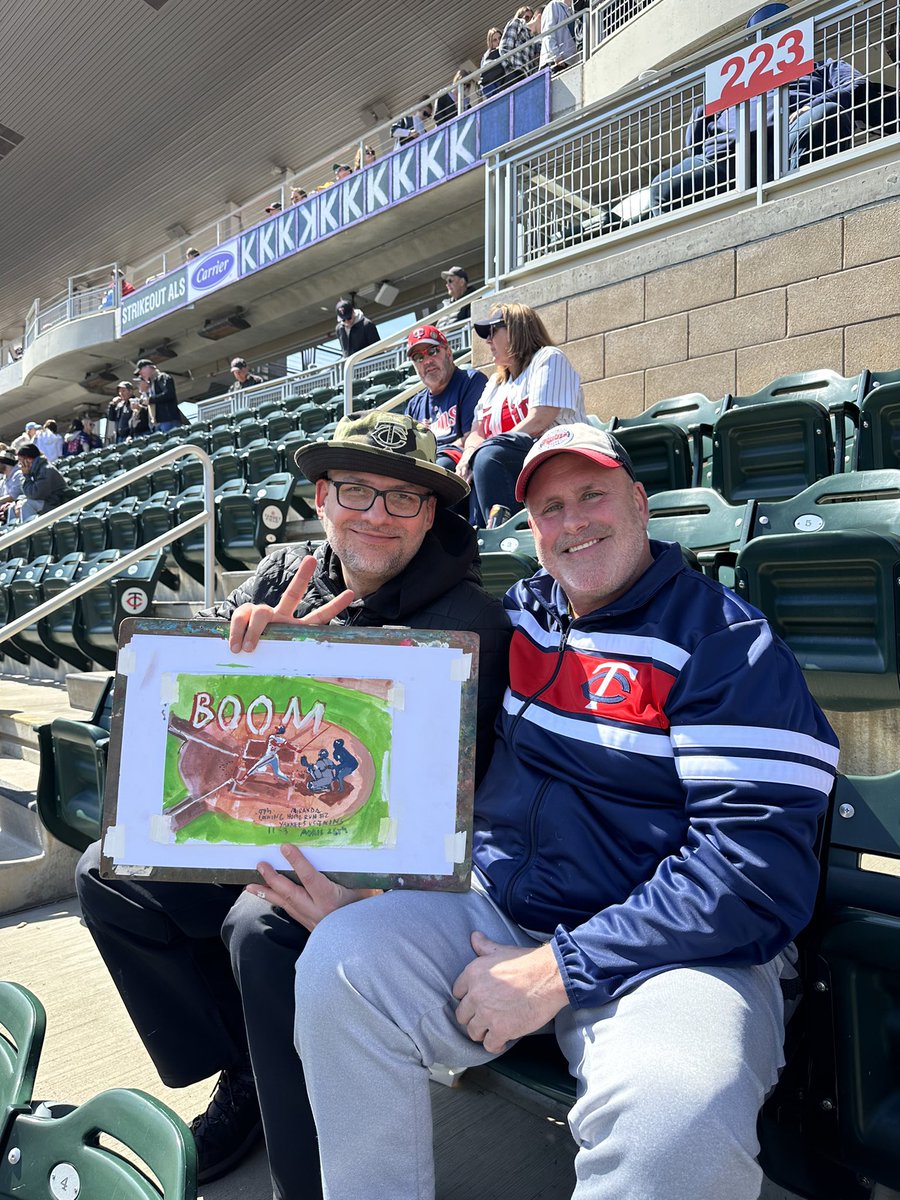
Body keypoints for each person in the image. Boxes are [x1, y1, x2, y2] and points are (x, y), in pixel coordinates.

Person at [292, 422, 840, 1200]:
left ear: (642, 504)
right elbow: (394, 703)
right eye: (548, 508)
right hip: (506, 908)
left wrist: (561, 969)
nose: (571, 522)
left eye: (592, 495)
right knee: (340, 964)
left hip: (675, 951)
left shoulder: (728, 643)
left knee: (672, 1126)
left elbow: (754, 872)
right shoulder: (528, 616)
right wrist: (289, 662)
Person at [74, 411, 511, 1200]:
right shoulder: (283, 575)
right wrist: (245, 649)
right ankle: (244, 1070)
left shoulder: (470, 625)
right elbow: (193, 685)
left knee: (259, 925)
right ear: (320, 496)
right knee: (107, 874)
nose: (377, 513)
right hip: (254, 813)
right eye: (356, 490)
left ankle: (309, 1185)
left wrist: (371, 895)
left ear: (430, 515)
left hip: (375, 865)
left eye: (404, 498)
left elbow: (446, 811)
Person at [649, 4, 864, 216]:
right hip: (726, 157)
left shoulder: (821, 68)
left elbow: (855, 84)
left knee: (826, 113)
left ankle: (804, 213)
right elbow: (694, 140)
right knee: (662, 187)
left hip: (788, 141)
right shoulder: (732, 82)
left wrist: (812, 105)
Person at [458, 302, 585, 526]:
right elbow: (477, 431)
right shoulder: (496, 382)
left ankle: (500, 536)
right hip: (515, 457)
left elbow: (540, 418)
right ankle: (474, 542)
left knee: (489, 456)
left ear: (516, 330)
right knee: (458, 474)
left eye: (492, 331)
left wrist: (484, 449)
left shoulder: (548, 358)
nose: (487, 340)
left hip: (560, 454)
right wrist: (468, 454)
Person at [404, 325, 486, 474]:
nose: (427, 361)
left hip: (456, 465)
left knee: (440, 465)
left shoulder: (471, 382)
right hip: (426, 469)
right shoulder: (414, 405)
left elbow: (471, 437)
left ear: (448, 353)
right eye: (418, 357)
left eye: (432, 351)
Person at [13, 443, 66, 522]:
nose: (20, 465)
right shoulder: (35, 469)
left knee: (27, 504)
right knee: (13, 506)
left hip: (56, 504)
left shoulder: (46, 470)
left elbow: (34, 494)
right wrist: (18, 501)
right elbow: (27, 493)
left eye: (21, 461)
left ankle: (29, 533)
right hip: (45, 501)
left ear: (29, 459)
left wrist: (26, 476)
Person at [134, 358, 182, 432]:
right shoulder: (152, 383)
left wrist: (150, 400)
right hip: (158, 422)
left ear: (148, 367)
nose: (140, 374)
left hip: (168, 419)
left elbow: (169, 394)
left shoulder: (162, 377)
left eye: (141, 370)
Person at [500, 5, 536, 87]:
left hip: (528, 77)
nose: (529, 20)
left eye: (531, 18)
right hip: (516, 73)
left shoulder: (531, 36)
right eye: (527, 17)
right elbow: (505, 47)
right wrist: (514, 68)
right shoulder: (517, 22)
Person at [539, 0, 576, 71]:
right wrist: (556, 56)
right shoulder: (554, 6)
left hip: (568, 63)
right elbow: (548, 33)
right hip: (554, 62)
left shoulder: (572, 11)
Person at [481, 28, 507, 98]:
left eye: (500, 38)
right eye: (494, 40)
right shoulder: (486, 58)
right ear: (490, 43)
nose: (498, 41)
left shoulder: (507, 49)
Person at [0, 452, 24, 520]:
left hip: (14, 510)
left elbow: (13, 496)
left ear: (4, 462)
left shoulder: (18, 474)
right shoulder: (3, 480)